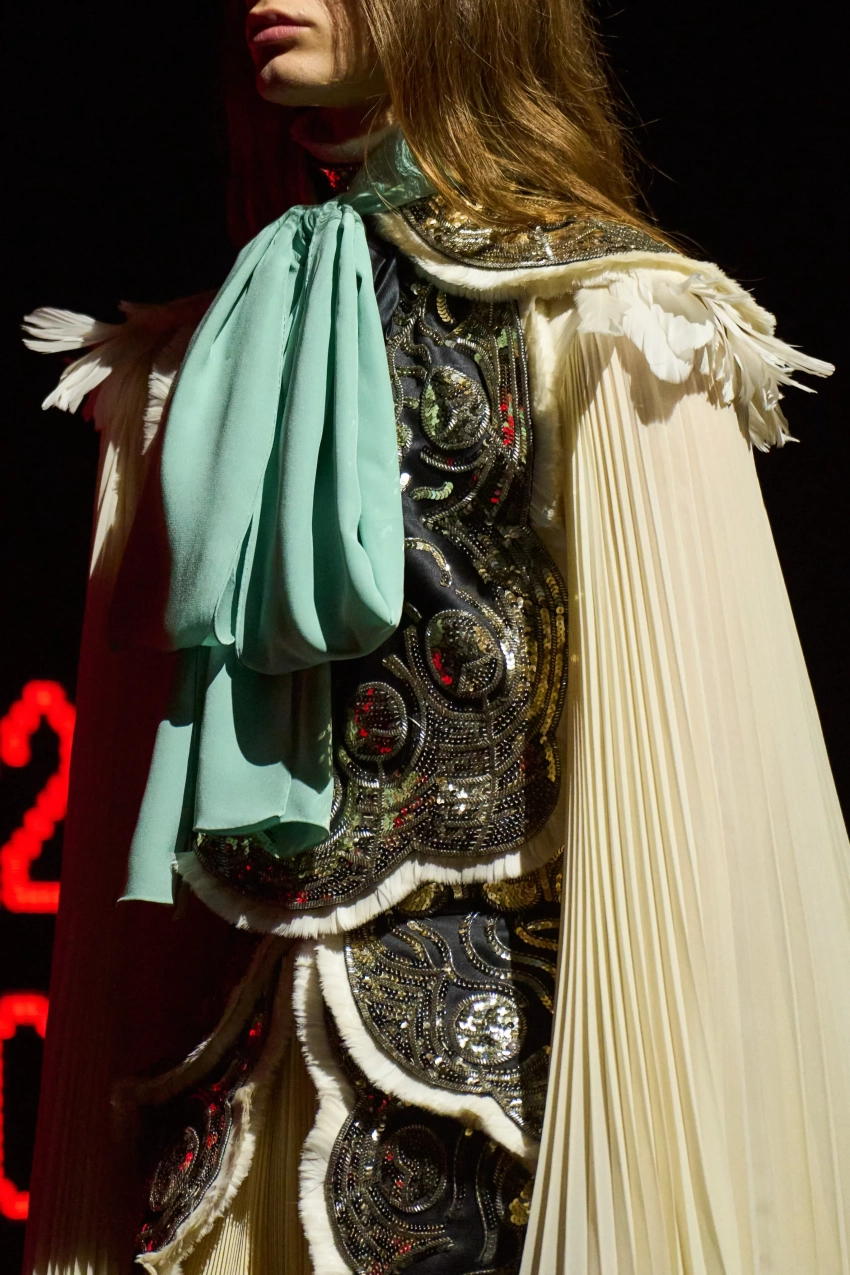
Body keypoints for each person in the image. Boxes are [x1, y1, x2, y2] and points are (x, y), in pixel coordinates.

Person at [22, 1, 850, 1272]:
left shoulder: (607, 317)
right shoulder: (214, 344)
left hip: (515, 1100)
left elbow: (698, 796)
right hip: (236, 1081)